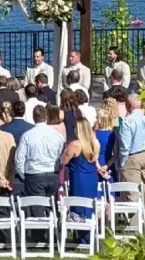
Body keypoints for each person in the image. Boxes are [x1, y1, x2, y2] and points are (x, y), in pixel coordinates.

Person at [116, 93, 145, 229]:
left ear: (129, 106)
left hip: (133, 157)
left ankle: (134, 224)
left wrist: (122, 162)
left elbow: (125, 145)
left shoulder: (128, 121)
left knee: (132, 191)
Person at [60, 110, 102, 247]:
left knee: (78, 205)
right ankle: (87, 236)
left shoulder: (75, 145)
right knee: (89, 205)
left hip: (79, 178)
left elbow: (63, 161)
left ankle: (82, 237)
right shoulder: (95, 143)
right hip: (91, 177)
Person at [14, 106, 65, 210]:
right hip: (51, 174)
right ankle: (53, 225)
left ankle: (42, 226)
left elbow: (19, 159)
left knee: (37, 210)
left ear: (33, 117)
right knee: (51, 208)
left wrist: (23, 175)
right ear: (46, 117)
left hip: (34, 175)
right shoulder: (57, 135)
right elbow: (61, 156)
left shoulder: (27, 135)